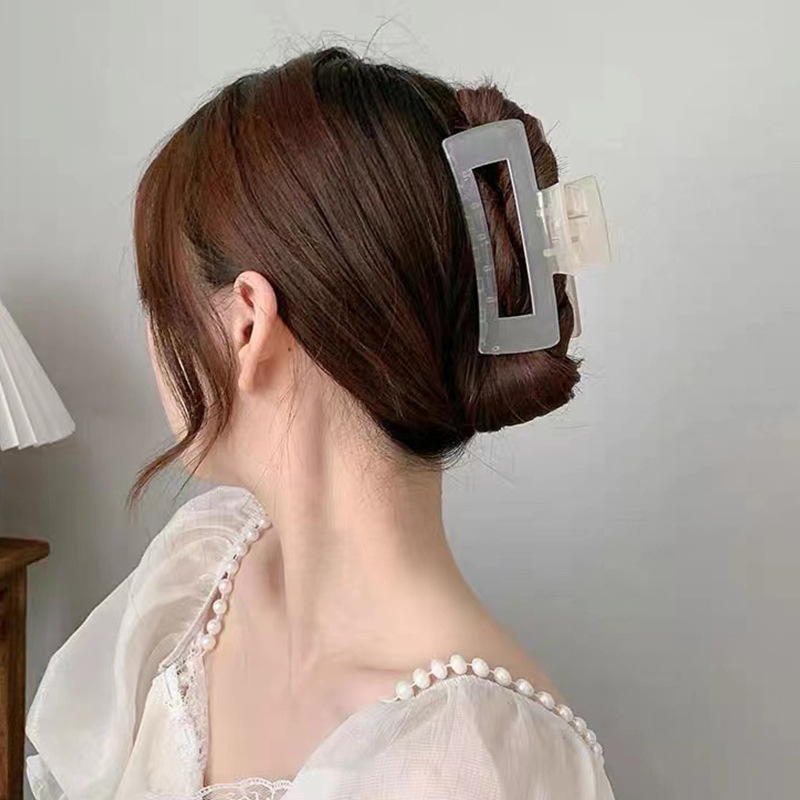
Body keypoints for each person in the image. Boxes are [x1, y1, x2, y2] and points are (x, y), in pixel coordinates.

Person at [25, 46, 616, 800]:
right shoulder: (200, 575)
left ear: (247, 324)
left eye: (160, 300)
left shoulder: (476, 764)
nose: (151, 337)